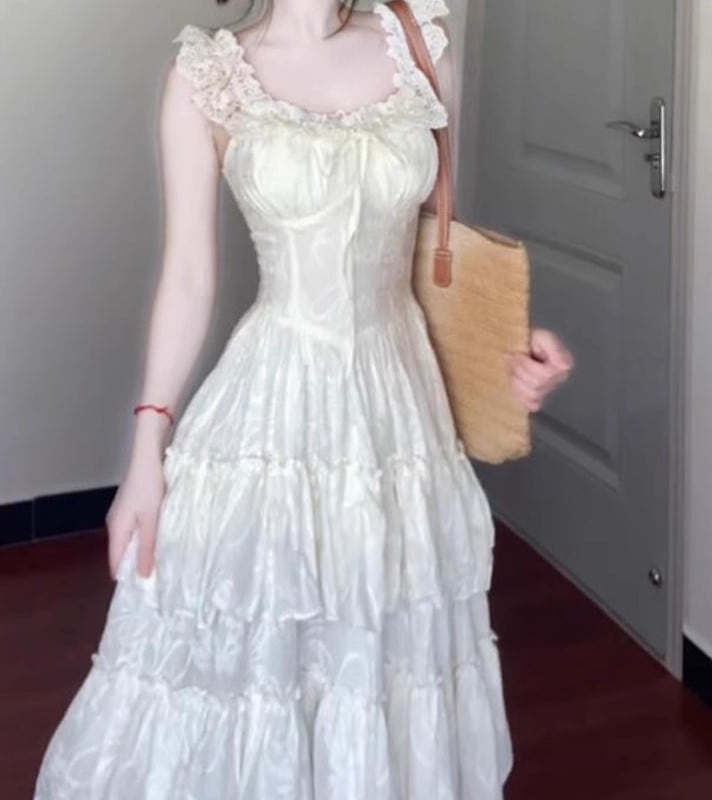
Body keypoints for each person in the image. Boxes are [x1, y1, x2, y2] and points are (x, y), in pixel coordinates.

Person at [33, 0, 574, 797]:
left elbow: (435, 245)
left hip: (398, 408)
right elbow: (189, 277)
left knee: (384, 658)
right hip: (272, 409)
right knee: (260, 660)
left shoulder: (422, 45)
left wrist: (510, 354)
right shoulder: (206, 74)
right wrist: (146, 450)